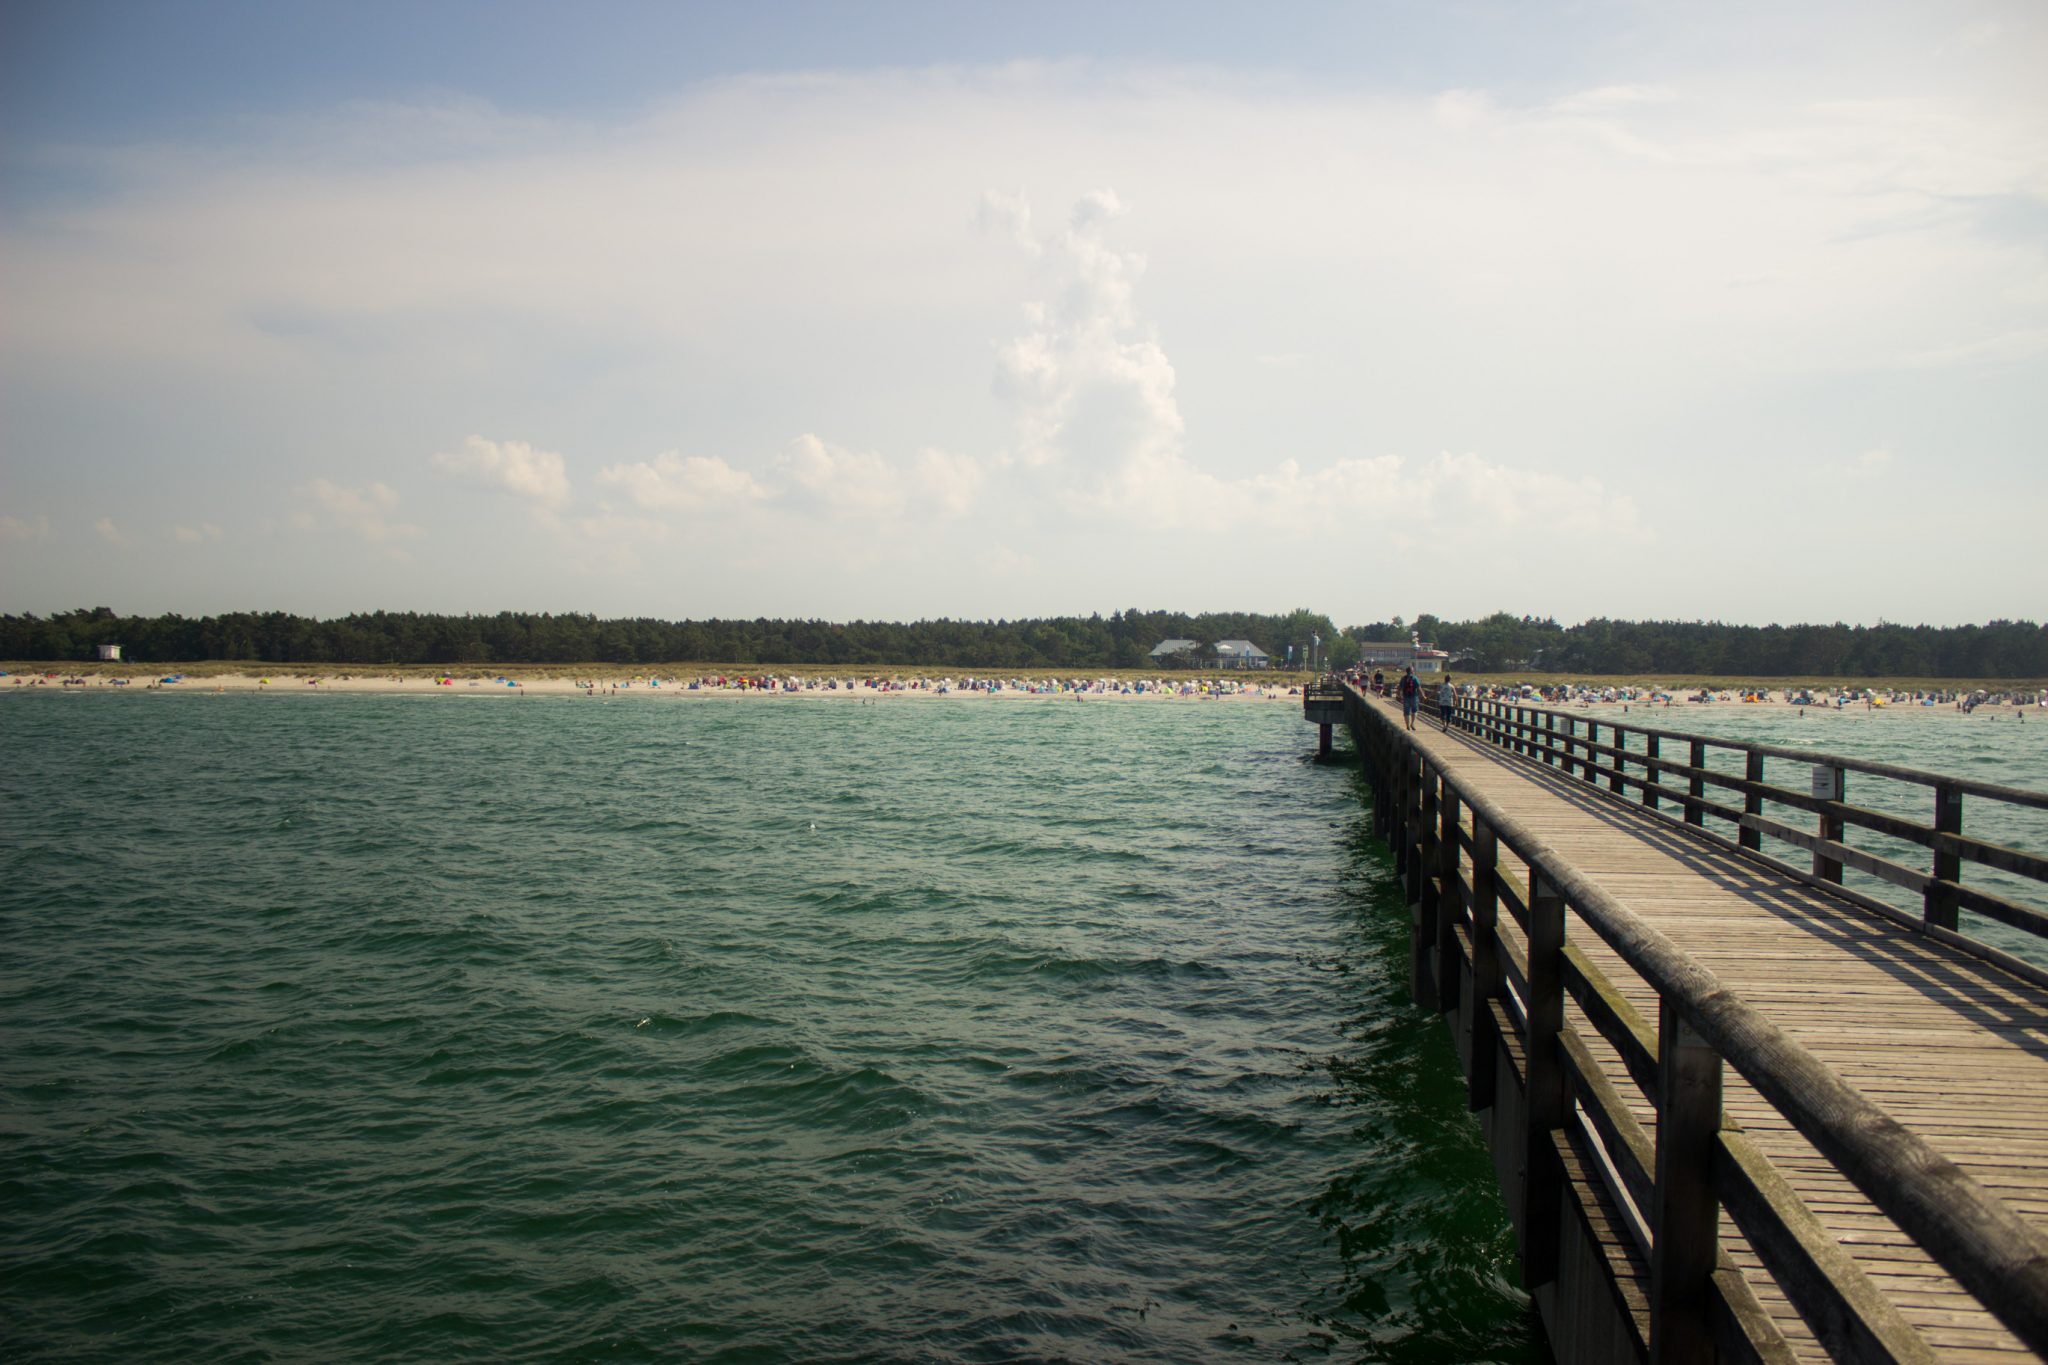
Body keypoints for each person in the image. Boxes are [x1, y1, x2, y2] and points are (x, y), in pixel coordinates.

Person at [1398, 665, 1420, 730]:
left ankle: (1407, 725)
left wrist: (1400, 696)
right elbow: (1419, 688)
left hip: (1406, 697)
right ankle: (1412, 723)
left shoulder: (1403, 678)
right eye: (1413, 670)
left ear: (1406, 671)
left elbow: (1400, 688)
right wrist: (1423, 695)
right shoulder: (1415, 678)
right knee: (1414, 711)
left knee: (1406, 712)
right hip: (1414, 697)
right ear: (1412, 671)